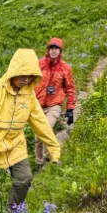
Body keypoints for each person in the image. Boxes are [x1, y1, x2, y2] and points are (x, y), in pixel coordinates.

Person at [0, 49, 62, 213]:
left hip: (15, 145)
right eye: (23, 75)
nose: (26, 80)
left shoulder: (29, 95)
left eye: (30, 76)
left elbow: (40, 122)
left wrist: (54, 148)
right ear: (13, 71)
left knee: (24, 179)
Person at [34, 37, 77, 167]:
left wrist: (70, 109)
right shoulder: (39, 64)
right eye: (51, 48)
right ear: (48, 50)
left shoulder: (65, 68)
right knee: (38, 137)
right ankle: (40, 162)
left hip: (54, 105)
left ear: (60, 51)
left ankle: (51, 156)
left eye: (56, 48)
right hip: (38, 105)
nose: (53, 51)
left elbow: (70, 89)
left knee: (45, 128)